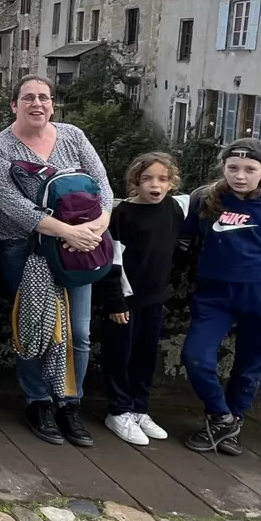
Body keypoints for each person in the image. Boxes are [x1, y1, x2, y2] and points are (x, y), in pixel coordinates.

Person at [0, 75, 113, 449]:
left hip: (80, 247)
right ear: (14, 105)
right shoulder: (0, 148)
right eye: (28, 98)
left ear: (52, 104)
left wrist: (99, 225)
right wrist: (65, 231)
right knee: (36, 328)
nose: (36, 104)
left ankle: (69, 403)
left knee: (79, 331)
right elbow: (10, 203)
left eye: (43, 97)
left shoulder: (73, 135)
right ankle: (38, 401)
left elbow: (103, 184)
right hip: (25, 250)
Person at [180, 139, 261, 455]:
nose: (240, 175)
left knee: (249, 368)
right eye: (232, 168)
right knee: (196, 357)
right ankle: (220, 415)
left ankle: (232, 423)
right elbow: (182, 236)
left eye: (250, 169)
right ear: (223, 169)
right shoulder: (207, 201)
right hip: (214, 297)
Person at [97, 152, 187, 447]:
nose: (155, 185)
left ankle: (139, 407)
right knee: (120, 354)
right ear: (135, 182)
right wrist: (116, 300)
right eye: (147, 178)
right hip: (126, 300)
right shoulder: (123, 214)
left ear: (172, 182)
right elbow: (112, 260)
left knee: (145, 356)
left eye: (162, 179)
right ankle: (118, 409)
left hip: (154, 298)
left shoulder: (173, 209)